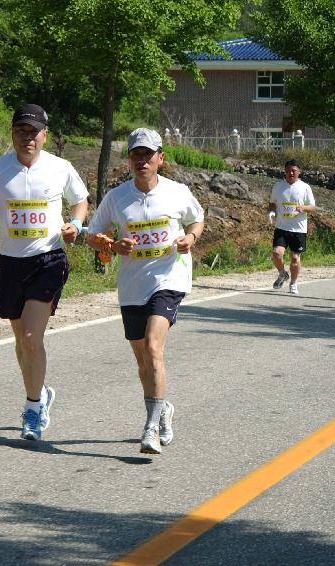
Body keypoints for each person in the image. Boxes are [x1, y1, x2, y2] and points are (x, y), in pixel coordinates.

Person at [0, 103, 89, 441]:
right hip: (10, 263)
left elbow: (80, 199)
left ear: (44, 136)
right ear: (12, 134)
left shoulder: (60, 168)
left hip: (48, 260)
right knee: (22, 343)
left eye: (34, 132)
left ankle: (33, 409)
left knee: (33, 340)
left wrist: (76, 224)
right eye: (21, 131)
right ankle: (41, 391)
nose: (27, 138)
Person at [86, 128, 204, 455]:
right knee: (143, 362)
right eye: (136, 155)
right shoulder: (116, 198)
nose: (142, 161)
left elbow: (197, 220)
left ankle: (150, 427)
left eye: (148, 155)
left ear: (160, 159)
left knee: (153, 346)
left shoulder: (178, 192)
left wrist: (190, 239)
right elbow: (93, 235)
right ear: (129, 160)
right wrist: (112, 244)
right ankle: (162, 408)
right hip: (132, 286)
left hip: (169, 279)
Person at [268, 159, 316, 294]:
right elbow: (272, 202)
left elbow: (312, 207)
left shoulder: (305, 187)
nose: (291, 173)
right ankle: (283, 273)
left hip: (298, 228)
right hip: (281, 227)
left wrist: (303, 208)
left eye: (294, 171)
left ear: (299, 172)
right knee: (277, 253)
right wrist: (272, 211)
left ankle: (293, 283)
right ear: (284, 171)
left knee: (295, 258)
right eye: (288, 170)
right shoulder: (278, 186)